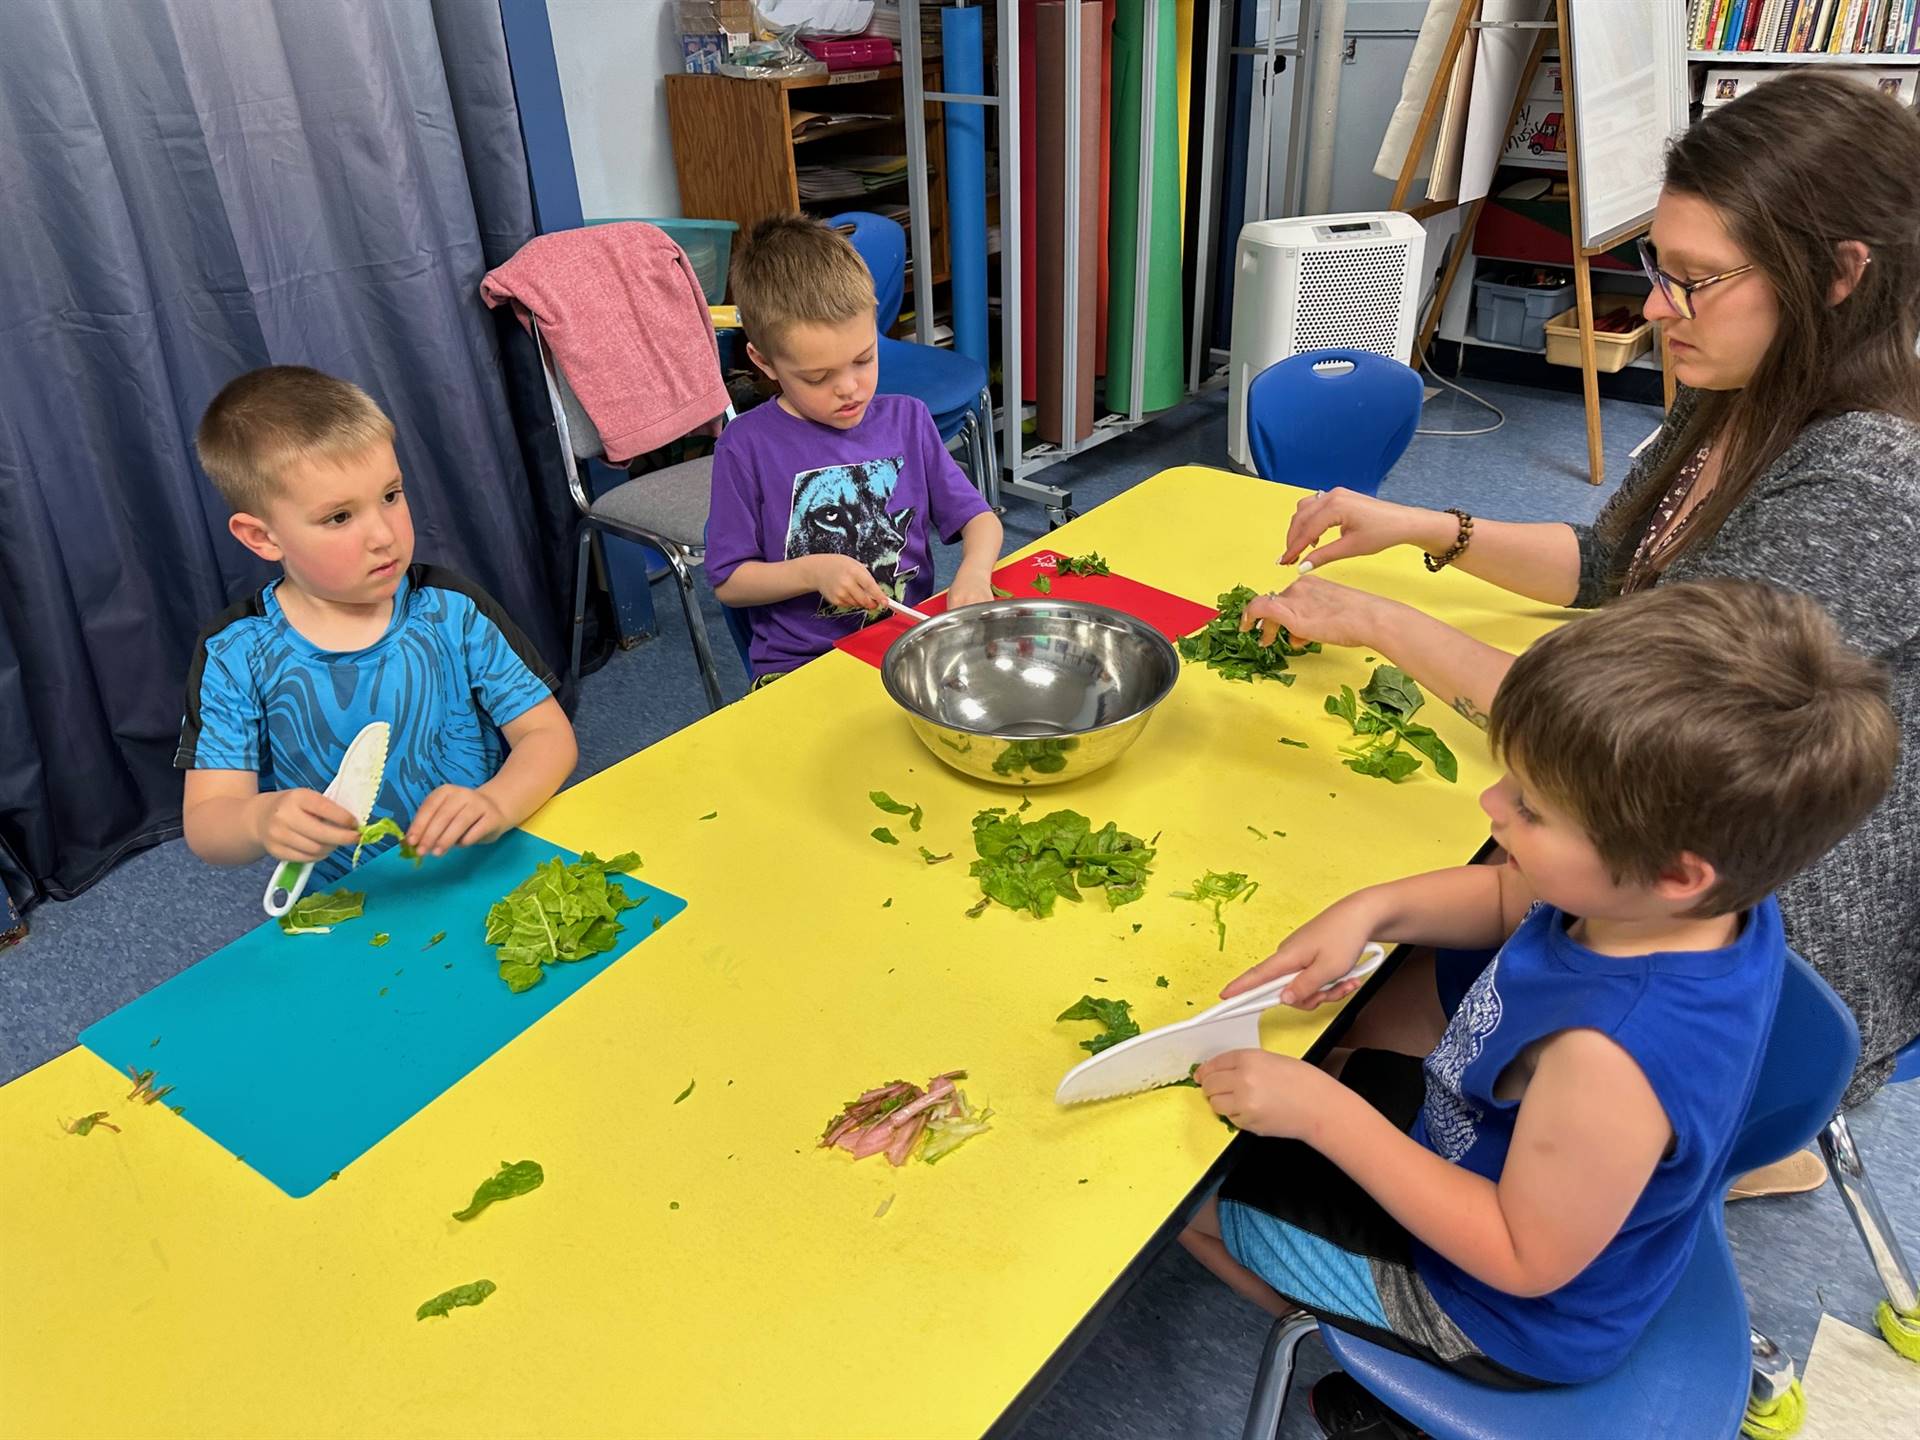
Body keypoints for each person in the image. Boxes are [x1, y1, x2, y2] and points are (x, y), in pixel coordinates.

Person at [1238, 71, 1920, 1110]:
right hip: (1648, 842)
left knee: (1365, 1048)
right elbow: (1616, 562)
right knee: (1366, 1002)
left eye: (1694, 279)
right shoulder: (1747, 381)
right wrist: (1429, 527)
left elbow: (1626, 739)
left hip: (1749, 915)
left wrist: (1371, 619)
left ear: (1839, 275)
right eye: (1661, 267)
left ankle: (1758, 1141)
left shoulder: (1867, 473)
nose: (1655, 307)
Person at [1181, 582, 1896, 1422]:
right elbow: (1507, 897)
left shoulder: (1609, 1057)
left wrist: (1324, 1115)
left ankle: (1402, 1395)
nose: (1492, 806)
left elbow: (1522, 1258)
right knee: (1327, 1065)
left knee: (1179, 1204)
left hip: (1501, 1312)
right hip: (1500, 1164)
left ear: (1677, 872)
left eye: (1531, 806)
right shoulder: (1679, 901)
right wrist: (1370, 909)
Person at [178, 366, 577, 883]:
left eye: (391, 495)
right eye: (339, 517)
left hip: (483, 870)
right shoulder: (235, 654)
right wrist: (258, 820)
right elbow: (209, 825)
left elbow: (548, 736)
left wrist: (496, 803)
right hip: (352, 907)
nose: (384, 535)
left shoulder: (449, 608)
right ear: (262, 538)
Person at [706, 214, 1004, 683]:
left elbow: (979, 520)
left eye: (864, 359)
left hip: (907, 643)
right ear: (764, 362)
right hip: (802, 666)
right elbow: (729, 582)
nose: (850, 389)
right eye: (818, 377)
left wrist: (974, 571)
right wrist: (813, 572)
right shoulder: (745, 447)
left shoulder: (908, 419)